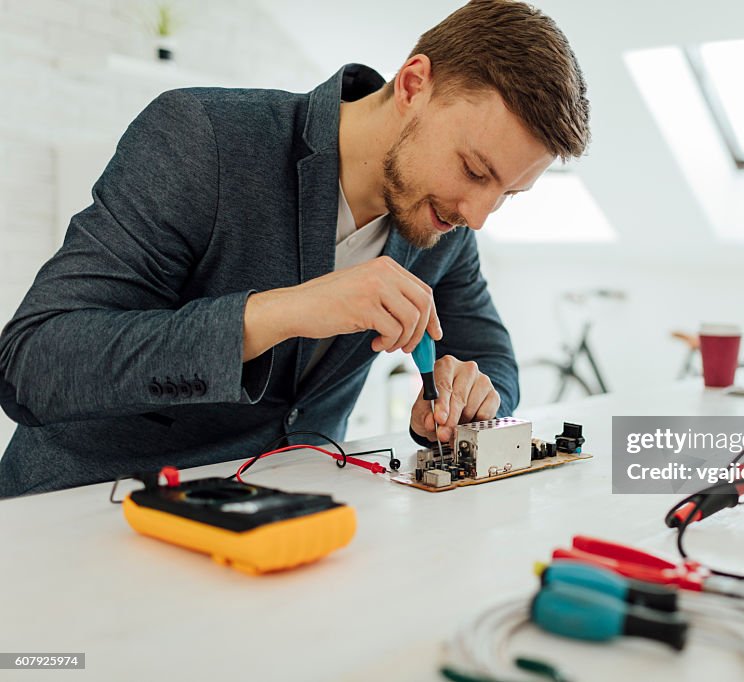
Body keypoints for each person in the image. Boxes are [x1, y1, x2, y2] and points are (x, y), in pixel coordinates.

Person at [0, 0, 590, 497]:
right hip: (82, 518)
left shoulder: (442, 222)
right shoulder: (201, 137)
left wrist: (471, 399)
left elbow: (490, 356)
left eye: (508, 195)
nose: (478, 216)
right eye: (474, 169)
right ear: (414, 86)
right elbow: (31, 365)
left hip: (277, 529)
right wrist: (279, 313)